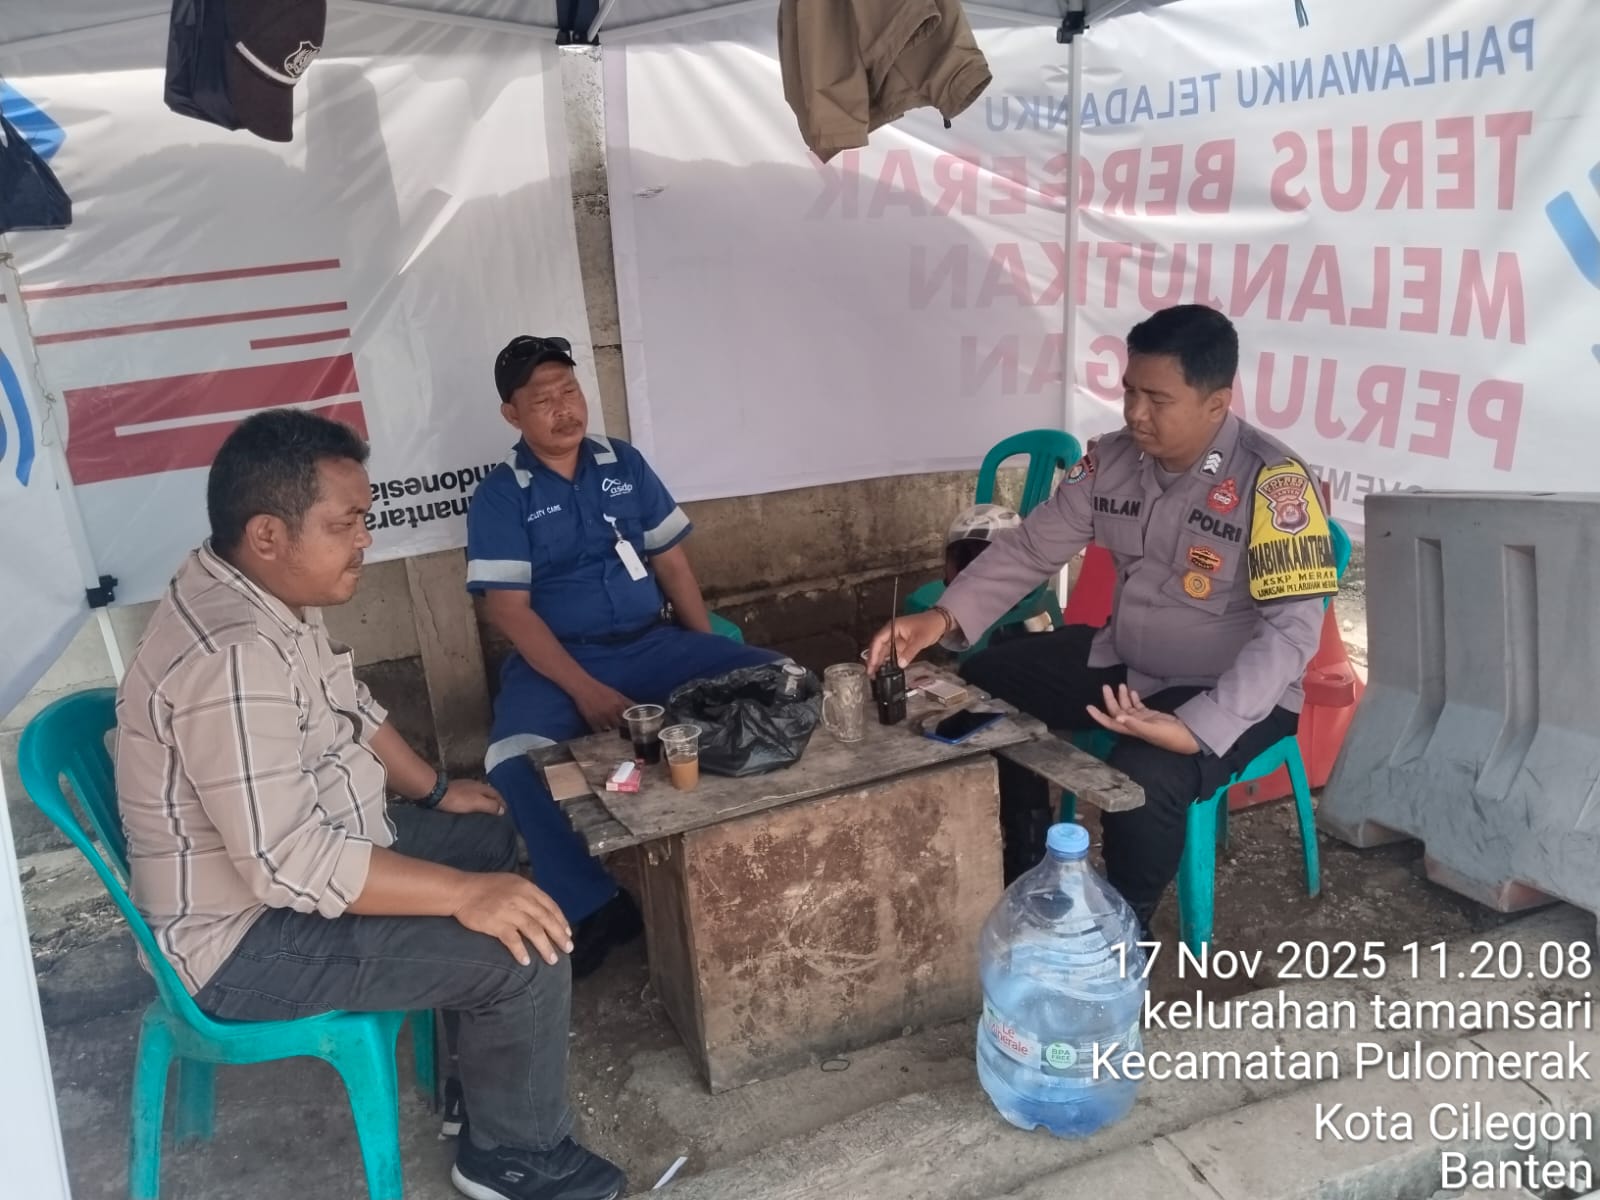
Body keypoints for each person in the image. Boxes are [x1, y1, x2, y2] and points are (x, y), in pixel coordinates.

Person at [116, 410, 625, 1200]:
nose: (365, 539)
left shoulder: (257, 588)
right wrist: (462, 896)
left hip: (310, 858)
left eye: (365, 517)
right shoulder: (233, 658)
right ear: (267, 534)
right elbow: (289, 863)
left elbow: (346, 701)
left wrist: (435, 790)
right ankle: (512, 1159)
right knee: (526, 950)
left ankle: (478, 1088)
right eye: (344, 523)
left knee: (489, 837)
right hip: (243, 943)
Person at [868, 304, 1335, 933]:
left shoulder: (1274, 484)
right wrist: (941, 618)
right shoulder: (1112, 461)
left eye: (1157, 399)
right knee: (988, 683)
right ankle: (1026, 870)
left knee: (1144, 774)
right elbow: (1032, 548)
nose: (1136, 413)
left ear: (1216, 404)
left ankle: (1122, 934)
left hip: (1234, 690)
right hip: (1127, 662)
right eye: (1129, 392)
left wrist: (1198, 727)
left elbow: (1291, 630)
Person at [466, 335, 777, 976]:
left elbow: (673, 565)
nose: (564, 408)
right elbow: (510, 612)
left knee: (779, 680)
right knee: (511, 760)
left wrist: (710, 654)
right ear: (512, 415)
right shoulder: (503, 493)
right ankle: (591, 903)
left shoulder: (622, 462)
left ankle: (745, 851)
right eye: (543, 400)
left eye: (570, 390)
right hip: (558, 662)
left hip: (651, 644)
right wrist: (586, 691)